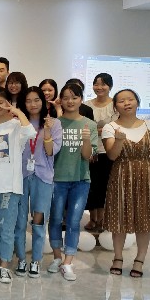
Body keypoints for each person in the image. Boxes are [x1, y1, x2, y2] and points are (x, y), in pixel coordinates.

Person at [103, 89, 150, 278]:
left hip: (146, 176)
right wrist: (119, 140)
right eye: (121, 101)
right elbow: (112, 156)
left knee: (144, 220)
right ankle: (118, 257)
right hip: (121, 176)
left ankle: (140, 259)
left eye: (130, 99)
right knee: (119, 218)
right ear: (115, 106)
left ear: (137, 102)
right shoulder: (110, 127)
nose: (126, 103)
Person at [0, 88, 35, 284]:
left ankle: (5, 265)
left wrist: (17, 112)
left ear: (9, 103)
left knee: (7, 227)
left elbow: (31, 133)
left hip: (10, 186)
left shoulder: (16, 125)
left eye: (2, 102)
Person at [48, 83, 98, 281]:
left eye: (74, 97)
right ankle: (56, 257)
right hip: (57, 179)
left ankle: (68, 262)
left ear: (81, 100)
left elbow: (87, 156)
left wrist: (85, 140)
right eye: (66, 97)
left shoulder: (89, 125)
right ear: (60, 100)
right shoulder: (55, 123)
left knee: (74, 221)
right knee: (55, 219)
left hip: (80, 180)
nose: (70, 101)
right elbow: (49, 152)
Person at [16, 87, 61, 277]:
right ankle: (20, 259)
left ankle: (35, 260)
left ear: (43, 101)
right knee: (19, 222)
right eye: (28, 101)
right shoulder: (18, 123)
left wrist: (48, 131)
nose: (32, 104)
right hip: (20, 178)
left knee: (39, 221)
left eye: (36, 100)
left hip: (43, 178)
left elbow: (51, 152)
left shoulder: (54, 123)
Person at [84, 73, 117, 232]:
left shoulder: (115, 105)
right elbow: (83, 127)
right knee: (92, 186)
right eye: (96, 84)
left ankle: (102, 219)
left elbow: (116, 128)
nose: (99, 87)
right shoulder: (86, 105)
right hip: (89, 150)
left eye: (103, 84)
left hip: (108, 151)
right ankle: (92, 219)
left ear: (110, 86)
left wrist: (96, 130)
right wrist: (103, 130)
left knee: (105, 186)